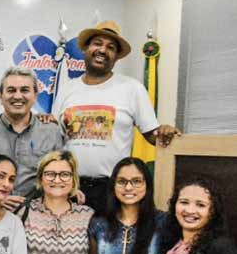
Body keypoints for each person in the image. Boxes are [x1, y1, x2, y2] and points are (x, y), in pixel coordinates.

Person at [52, 21, 179, 212]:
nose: (103, 50)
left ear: (116, 57)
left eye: (110, 47)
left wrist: (164, 132)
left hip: (113, 189)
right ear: (86, 48)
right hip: (71, 188)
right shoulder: (66, 89)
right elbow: (54, 138)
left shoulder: (132, 88)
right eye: (97, 43)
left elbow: (152, 136)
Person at [0, 67, 65, 212]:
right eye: (11, 90)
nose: (17, 96)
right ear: (0, 96)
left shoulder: (52, 133)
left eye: (24, 90)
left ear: (35, 95)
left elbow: (59, 177)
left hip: (37, 220)